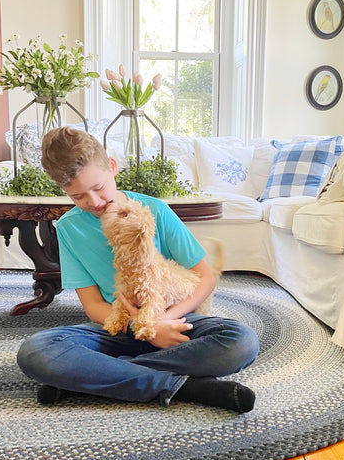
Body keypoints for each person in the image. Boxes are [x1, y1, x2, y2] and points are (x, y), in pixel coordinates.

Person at [16, 127, 260, 413]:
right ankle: (185, 386)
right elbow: (94, 306)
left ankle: (91, 378)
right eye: (78, 196)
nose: (93, 202)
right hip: (117, 329)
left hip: (176, 322)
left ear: (112, 166)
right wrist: (141, 327)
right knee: (35, 351)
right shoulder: (69, 229)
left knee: (241, 341)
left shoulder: (154, 210)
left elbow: (205, 279)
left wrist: (159, 323)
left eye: (98, 188)